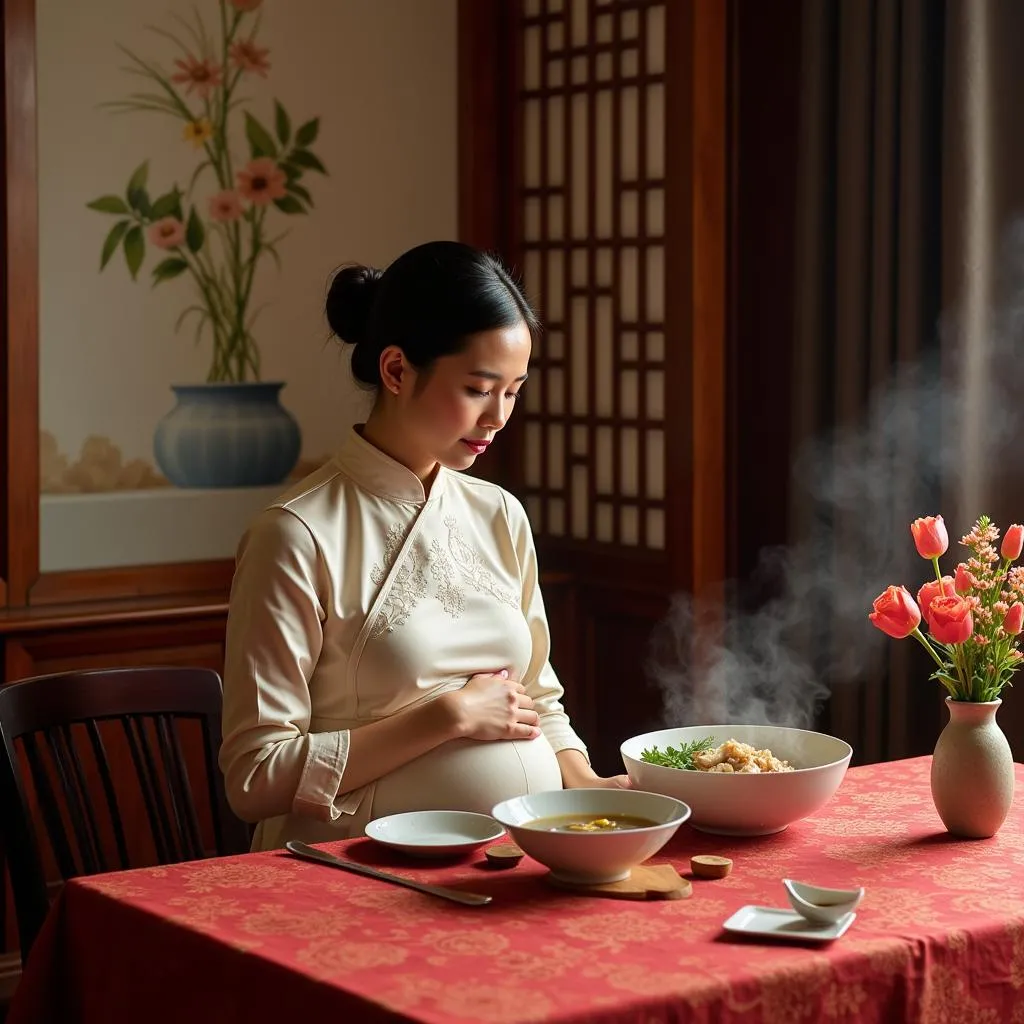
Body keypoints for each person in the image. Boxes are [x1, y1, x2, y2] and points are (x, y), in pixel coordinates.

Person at [219, 240, 628, 851]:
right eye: (478, 388)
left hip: (512, 859)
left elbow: (537, 694)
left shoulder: (499, 515)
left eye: (513, 390)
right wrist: (446, 717)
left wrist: (588, 784)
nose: (498, 416)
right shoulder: (295, 533)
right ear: (396, 370)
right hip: (349, 870)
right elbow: (254, 778)